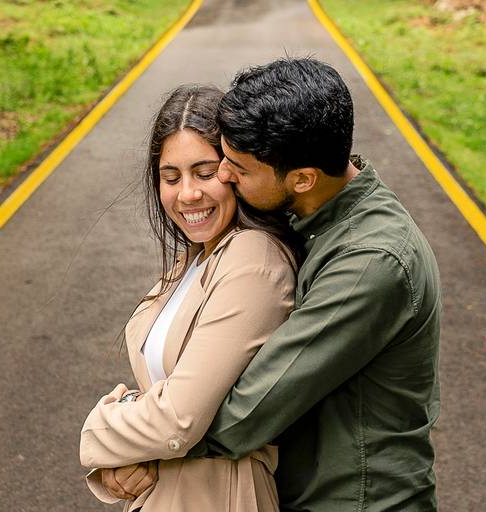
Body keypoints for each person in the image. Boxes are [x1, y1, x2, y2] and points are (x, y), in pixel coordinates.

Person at [181, 58, 441, 511]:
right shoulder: (312, 210)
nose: (223, 174)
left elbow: (252, 409)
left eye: (238, 167)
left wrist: (144, 445)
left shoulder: (370, 262)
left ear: (303, 178)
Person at [79, 84, 299, 511]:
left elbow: (178, 421)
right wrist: (122, 459)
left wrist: (98, 429)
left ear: (236, 171)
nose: (187, 195)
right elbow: (167, 405)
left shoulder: (252, 259)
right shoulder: (195, 258)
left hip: (220, 496)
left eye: (205, 172)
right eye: (171, 177)